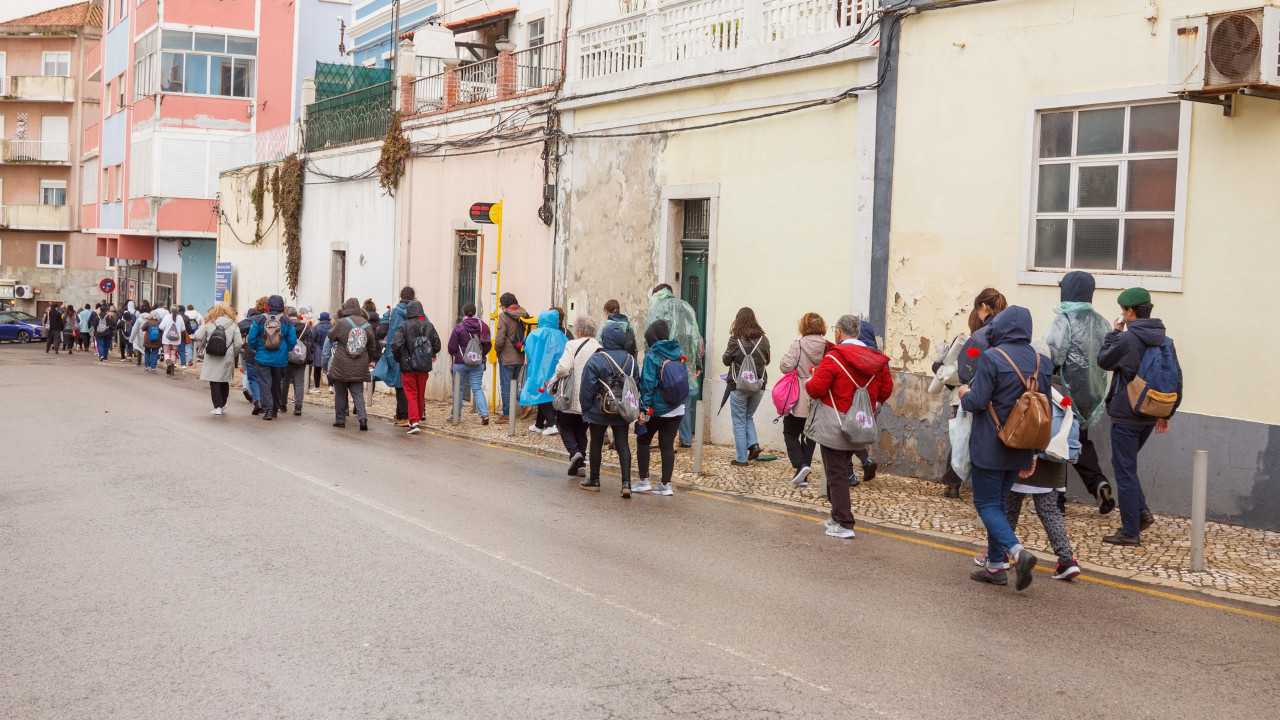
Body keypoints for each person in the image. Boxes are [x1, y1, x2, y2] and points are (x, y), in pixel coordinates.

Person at [957, 306, 1052, 591]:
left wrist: (964, 394)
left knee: (986, 504)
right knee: (998, 505)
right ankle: (995, 567)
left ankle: (1017, 553)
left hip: (991, 442)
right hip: (1023, 444)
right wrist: (1034, 453)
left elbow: (976, 402)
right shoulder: (1042, 362)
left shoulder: (992, 357)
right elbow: (1043, 411)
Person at [1096, 287, 1182, 546]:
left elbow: (1103, 360)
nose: (1122, 314)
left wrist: (1114, 332)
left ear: (1130, 312)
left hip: (1127, 414)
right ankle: (1141, 513)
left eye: (1123, 310)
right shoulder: (1165, 340)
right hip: (1151, 412)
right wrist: (1167, 413)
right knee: (1128, 467)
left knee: (1124, 471)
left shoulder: (1127, 339)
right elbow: (1176, 378)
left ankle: (1130, 531)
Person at [804, 315, 893, 540]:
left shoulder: (834, 358)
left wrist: (809, 379)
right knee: (840, 469)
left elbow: (815, 389)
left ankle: (845, 522)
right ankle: (835, 517)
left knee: (836, 473)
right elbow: (885, 391)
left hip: (835, 422)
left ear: (838, 332)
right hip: (860, 422)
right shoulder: (876, 360)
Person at [1044, 270, 1115, 515]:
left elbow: (1053, 355)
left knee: (1058, 440)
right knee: (1079, 441)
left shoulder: (1063, 319)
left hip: (1064, 392)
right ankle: (1098, 483)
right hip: (1092, 396)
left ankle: (1057, 501)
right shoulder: (1103, 322)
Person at [943, 288, 1009, 498]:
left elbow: (965, 371)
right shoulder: (1013, 332)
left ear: (983, 307)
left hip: (979, 394)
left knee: (966, 437)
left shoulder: (981, 336)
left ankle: (958, 484)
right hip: (1006, 396)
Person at [577, 321, 640, 497]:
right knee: (622, 444)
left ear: (604, 338)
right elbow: (637, 385)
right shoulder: (631, 360)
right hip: (623, 408)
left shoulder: (597, 359)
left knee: (596, 443)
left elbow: (587, 388)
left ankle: (594, 480)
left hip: (600, 408)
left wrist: (586, 409)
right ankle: (626, 483)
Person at [646, 284, 704, 447]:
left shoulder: (655, 309)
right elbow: (695, 338)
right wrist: (697, 364)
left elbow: (648, 337)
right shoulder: (686, 306)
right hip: (685, 363)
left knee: (661, 399)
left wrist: (649, 362)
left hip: (662, 362)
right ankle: (685, 439)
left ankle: (663, 439)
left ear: (657, 295)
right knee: (684, 399)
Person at [634, 320, 684, 496]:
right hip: (678, 408)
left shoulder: (652, 356)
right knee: (667, 445)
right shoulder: (677, 352)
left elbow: (647, 385)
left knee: (643, 440)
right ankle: (666, 485)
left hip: (657, 409)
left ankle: (643, 481)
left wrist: (644, 409)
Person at [779, 312, 828, 487]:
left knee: (790, 432)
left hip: (799, 395)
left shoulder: (798, 345)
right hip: (819, 397)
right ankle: (803, 476)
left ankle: (801, 466)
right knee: (809, 436)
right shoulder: (827, 346)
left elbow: (786, 366)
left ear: (803, 327)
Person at [722, 307, 771, 467]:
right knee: (747, 417)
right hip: (759, 385)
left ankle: (742, 458)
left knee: (739, 421)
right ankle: (754, 445)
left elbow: (726, 360)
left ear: (738, 320)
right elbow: (767, 361)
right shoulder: (764, 340)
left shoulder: (734, 340)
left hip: (739, 386)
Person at [554, 316, 601, 477]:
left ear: (579, 331)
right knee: (582, 431)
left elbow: (562, 369)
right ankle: (580, 466)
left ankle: (575, 454)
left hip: (571, 396)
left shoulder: (572, 345)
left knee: (564, 426)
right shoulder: (600, 347)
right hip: (590, 398)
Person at [328, 297, 380, 430]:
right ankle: (363, 419)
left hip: (341, 364)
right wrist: (368, 361)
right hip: (360, 364)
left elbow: (331, 336)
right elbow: (372, 346)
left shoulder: (341, 322)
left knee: (340, 393)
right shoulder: (366, 324)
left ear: (345, 308)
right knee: (357, 392)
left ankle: (340, 420)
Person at [390, 300, 441, 434]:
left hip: (408, 366)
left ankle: (414, 422)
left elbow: (396, 345)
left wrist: (399, 358)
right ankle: (418, 417)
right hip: (424, 366)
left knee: (411, 394)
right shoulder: (429, 326)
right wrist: (430, 354)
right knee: (420, 393)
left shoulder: (404, 326)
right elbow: (437, 345)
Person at [246, 295, 298, 421]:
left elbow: (251, 338)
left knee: (265, 383)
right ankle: (275, 409)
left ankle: (268, 409)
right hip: (280, 359)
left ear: (268, 305)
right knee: (276, 383)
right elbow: (292, 341)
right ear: (282, 306)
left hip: (262, 357)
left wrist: (257, 348)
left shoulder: (259, 319)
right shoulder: (287, 321)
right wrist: (286, 350)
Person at [520, 309, 568, 437]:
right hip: (555, 370)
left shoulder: (536, 333)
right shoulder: (561, 335)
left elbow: (528, 349)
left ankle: (552, 424)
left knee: (541, 393)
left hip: (539, 368)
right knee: (544, 394)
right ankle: (539, 424)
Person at [192, 302, 243, 415]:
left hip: (212, 354)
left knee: (214, 381)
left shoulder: (209, 322)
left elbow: (197, 336)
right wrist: (233, 353)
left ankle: (217, 406)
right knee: (224, 380)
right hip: (227, 355)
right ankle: (223, 403)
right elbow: (239, 343)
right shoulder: (234, 324)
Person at [374, 288, 414, 426]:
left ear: (400, 297)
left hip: (395, 352)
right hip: (414, 353)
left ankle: (404, 415)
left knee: (399, 384)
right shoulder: (419, 313)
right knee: (413, 384)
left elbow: (380, 331)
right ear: (413, 297)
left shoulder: (391, 313)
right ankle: (404, 414)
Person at [447, 303, 492, 424]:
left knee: (458, 390)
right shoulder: (483, 326)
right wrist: (481, 355)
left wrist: (457, 354)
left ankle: (456, 416)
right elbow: (488, 345)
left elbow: (451, 346)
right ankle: (484, 414)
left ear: (464, 313)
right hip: (478, 363)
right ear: (475, 312)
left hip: (460, 363)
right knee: (477, 388)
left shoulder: (459, 327)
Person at [494, 292, 531, 423]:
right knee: (518, 383)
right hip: (520, 355)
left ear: (504, 304)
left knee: (506, 385)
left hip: (507, 357)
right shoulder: (524, 314)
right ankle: (525, 404)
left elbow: (500, 338)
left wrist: (497, 350)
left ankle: (506, 415)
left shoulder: (503, 316)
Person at [278, 307, 309, 416]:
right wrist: (307, 358)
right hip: (301, 358)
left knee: (285, 381)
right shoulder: (306, 327)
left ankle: (282, 403)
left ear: (287, 315)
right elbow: (309, 344)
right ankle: (298, 406)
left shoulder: (285, 326)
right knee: (300, 382)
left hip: (287, 356)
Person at [238, 300, 266, 413]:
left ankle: (257, 400)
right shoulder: (279, 319)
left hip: (252, 352)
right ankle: (267, 403)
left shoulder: (253, 320)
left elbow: (239, 326)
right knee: (266, 378)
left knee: (252, 377)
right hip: (270, 353)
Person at [309, 311, 333, 393]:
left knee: (317, 369)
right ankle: (331, 386)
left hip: (318, 349)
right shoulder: (332, 326)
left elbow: (312, 339)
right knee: (329, 368)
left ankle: (317, 387)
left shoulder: (316, 327)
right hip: (330, 349)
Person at [157, 306, 184, 374]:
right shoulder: (180, 318)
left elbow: (161, 327)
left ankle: (168, 362)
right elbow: (183, 328)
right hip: (176, 339)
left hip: (167, 339)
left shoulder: (167, 317)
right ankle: (172, 370)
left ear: (170, 310)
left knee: (166, 353)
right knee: (173, 353)